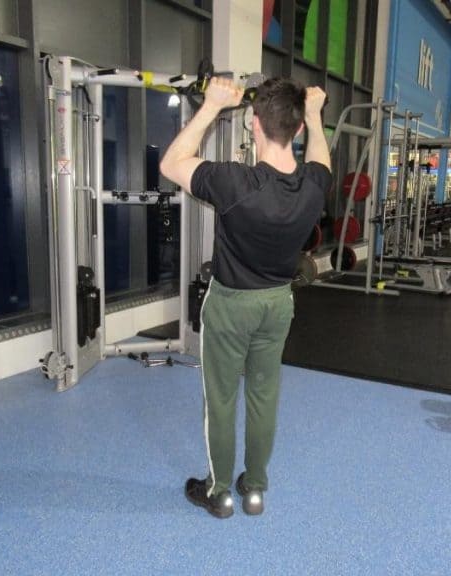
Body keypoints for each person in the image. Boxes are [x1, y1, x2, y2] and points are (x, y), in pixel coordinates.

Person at [159, 77, 330, 518]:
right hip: (278, 304)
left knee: (220, 398)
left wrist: (212, 106)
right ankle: (254, 488)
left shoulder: (235, 182)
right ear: (295, 130)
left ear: (253, 125)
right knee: (263, 394)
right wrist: (313, 114)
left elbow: (171, 162)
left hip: (232, 304)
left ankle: (218, 492)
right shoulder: (314, 185)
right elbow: (319, 157)